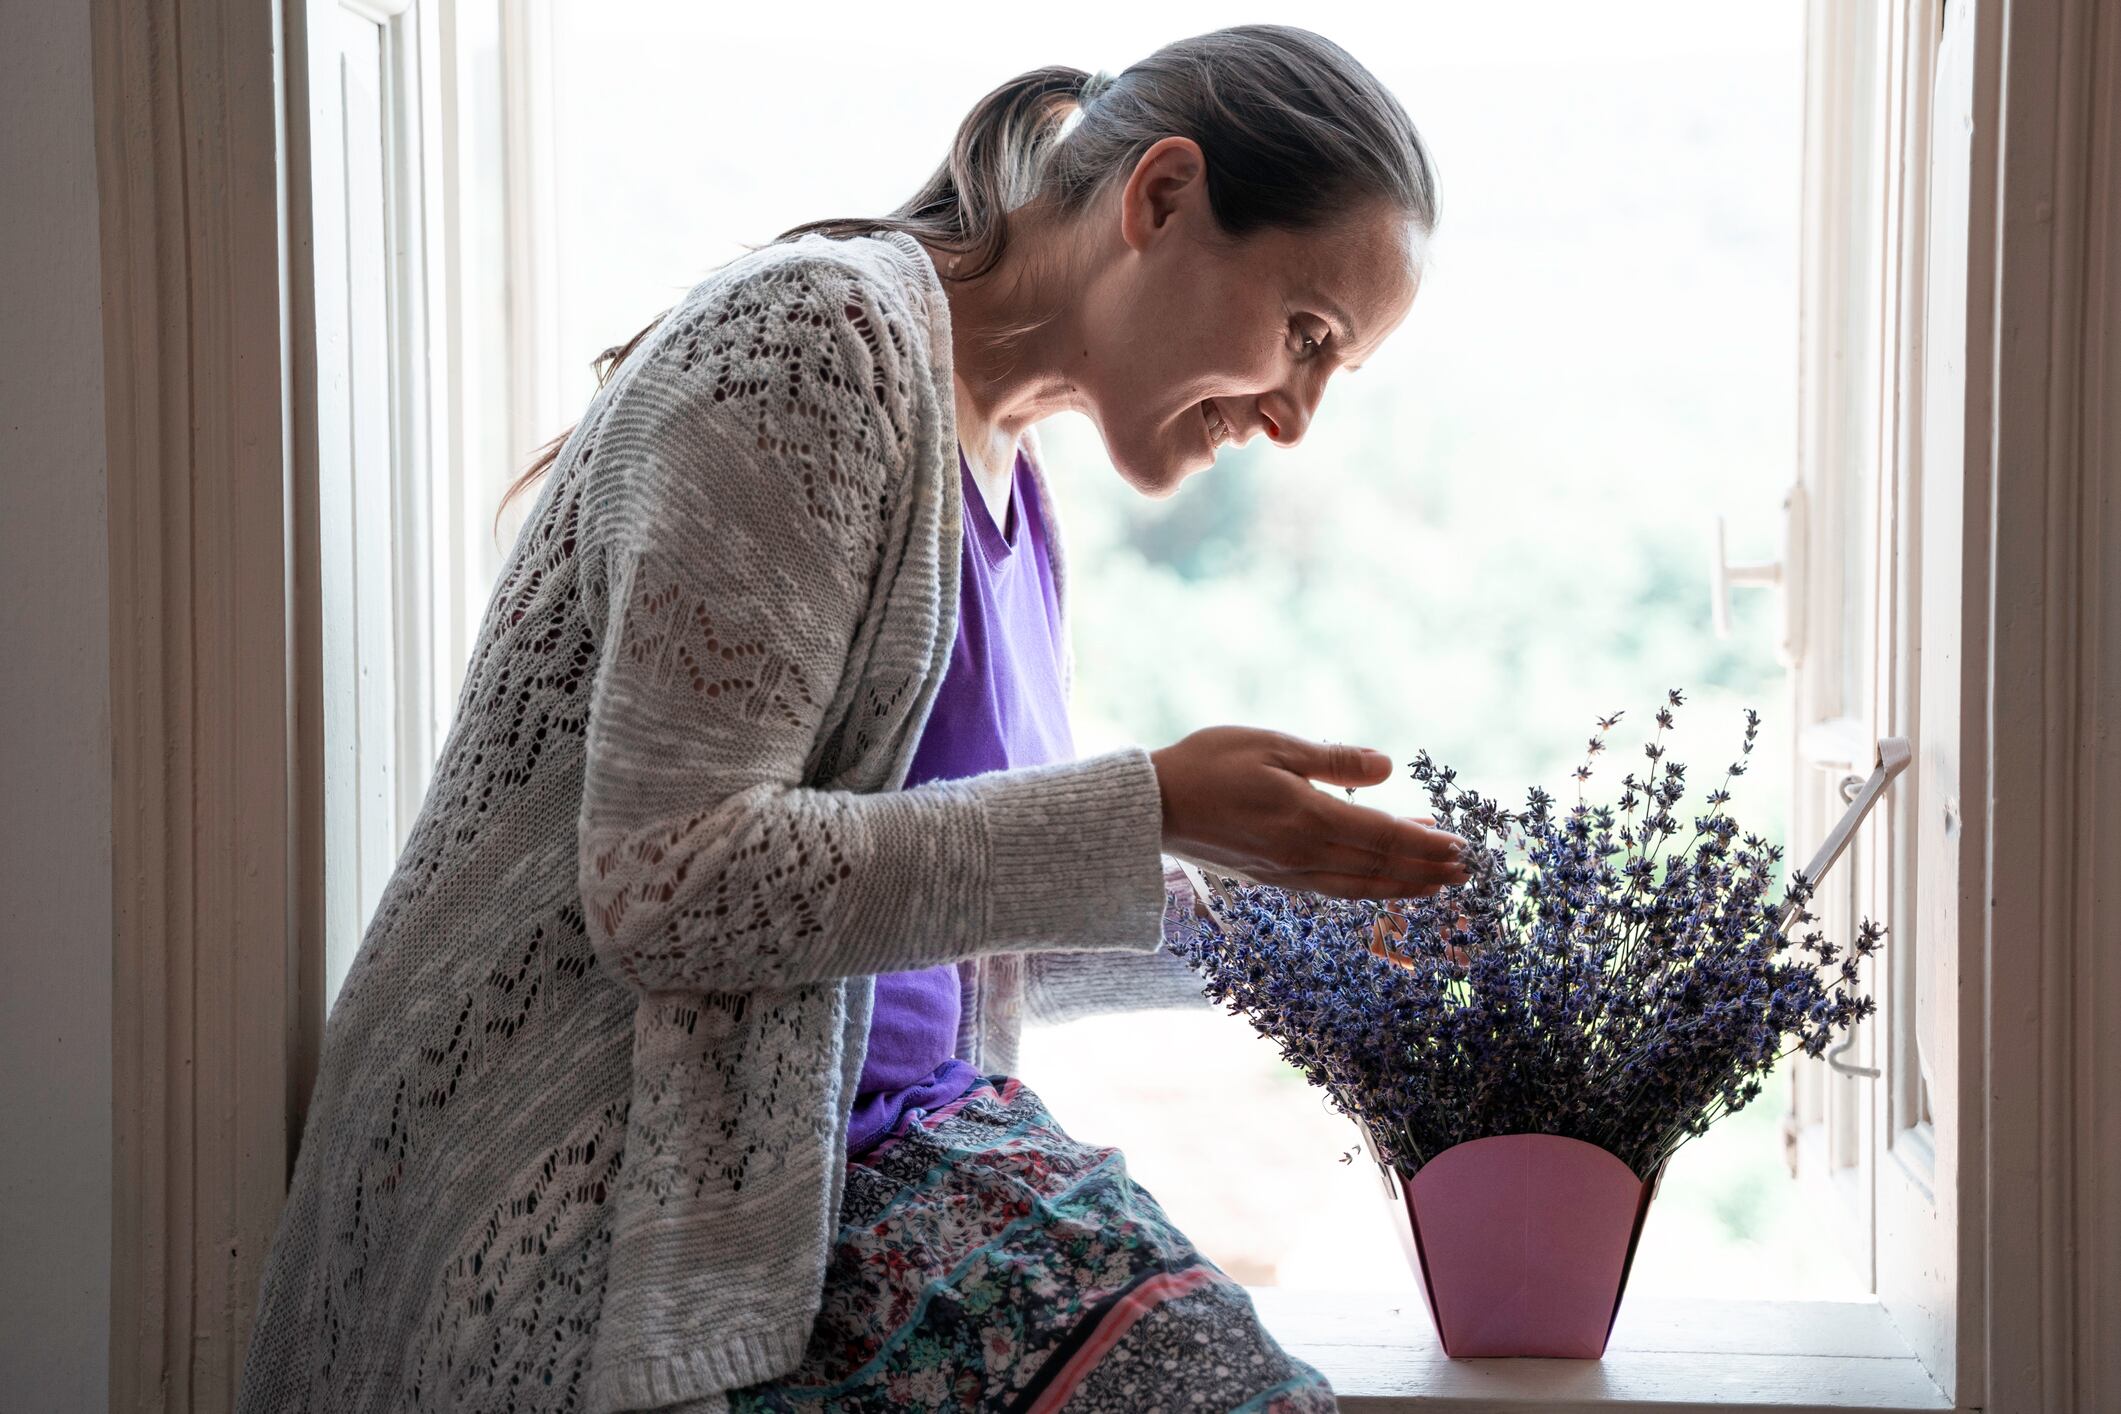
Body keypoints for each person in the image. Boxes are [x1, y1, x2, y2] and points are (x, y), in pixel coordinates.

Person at [236, 23, 1457, 1413]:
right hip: (627, 1234)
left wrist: (1299, 937)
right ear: (1161, 197)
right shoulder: (812, 347)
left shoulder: (1014, 488)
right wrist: (1148, 808)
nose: (1297, 417)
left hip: (864, 1173)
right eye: (1305, 336)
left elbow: (932, 926)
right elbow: (668, 886)